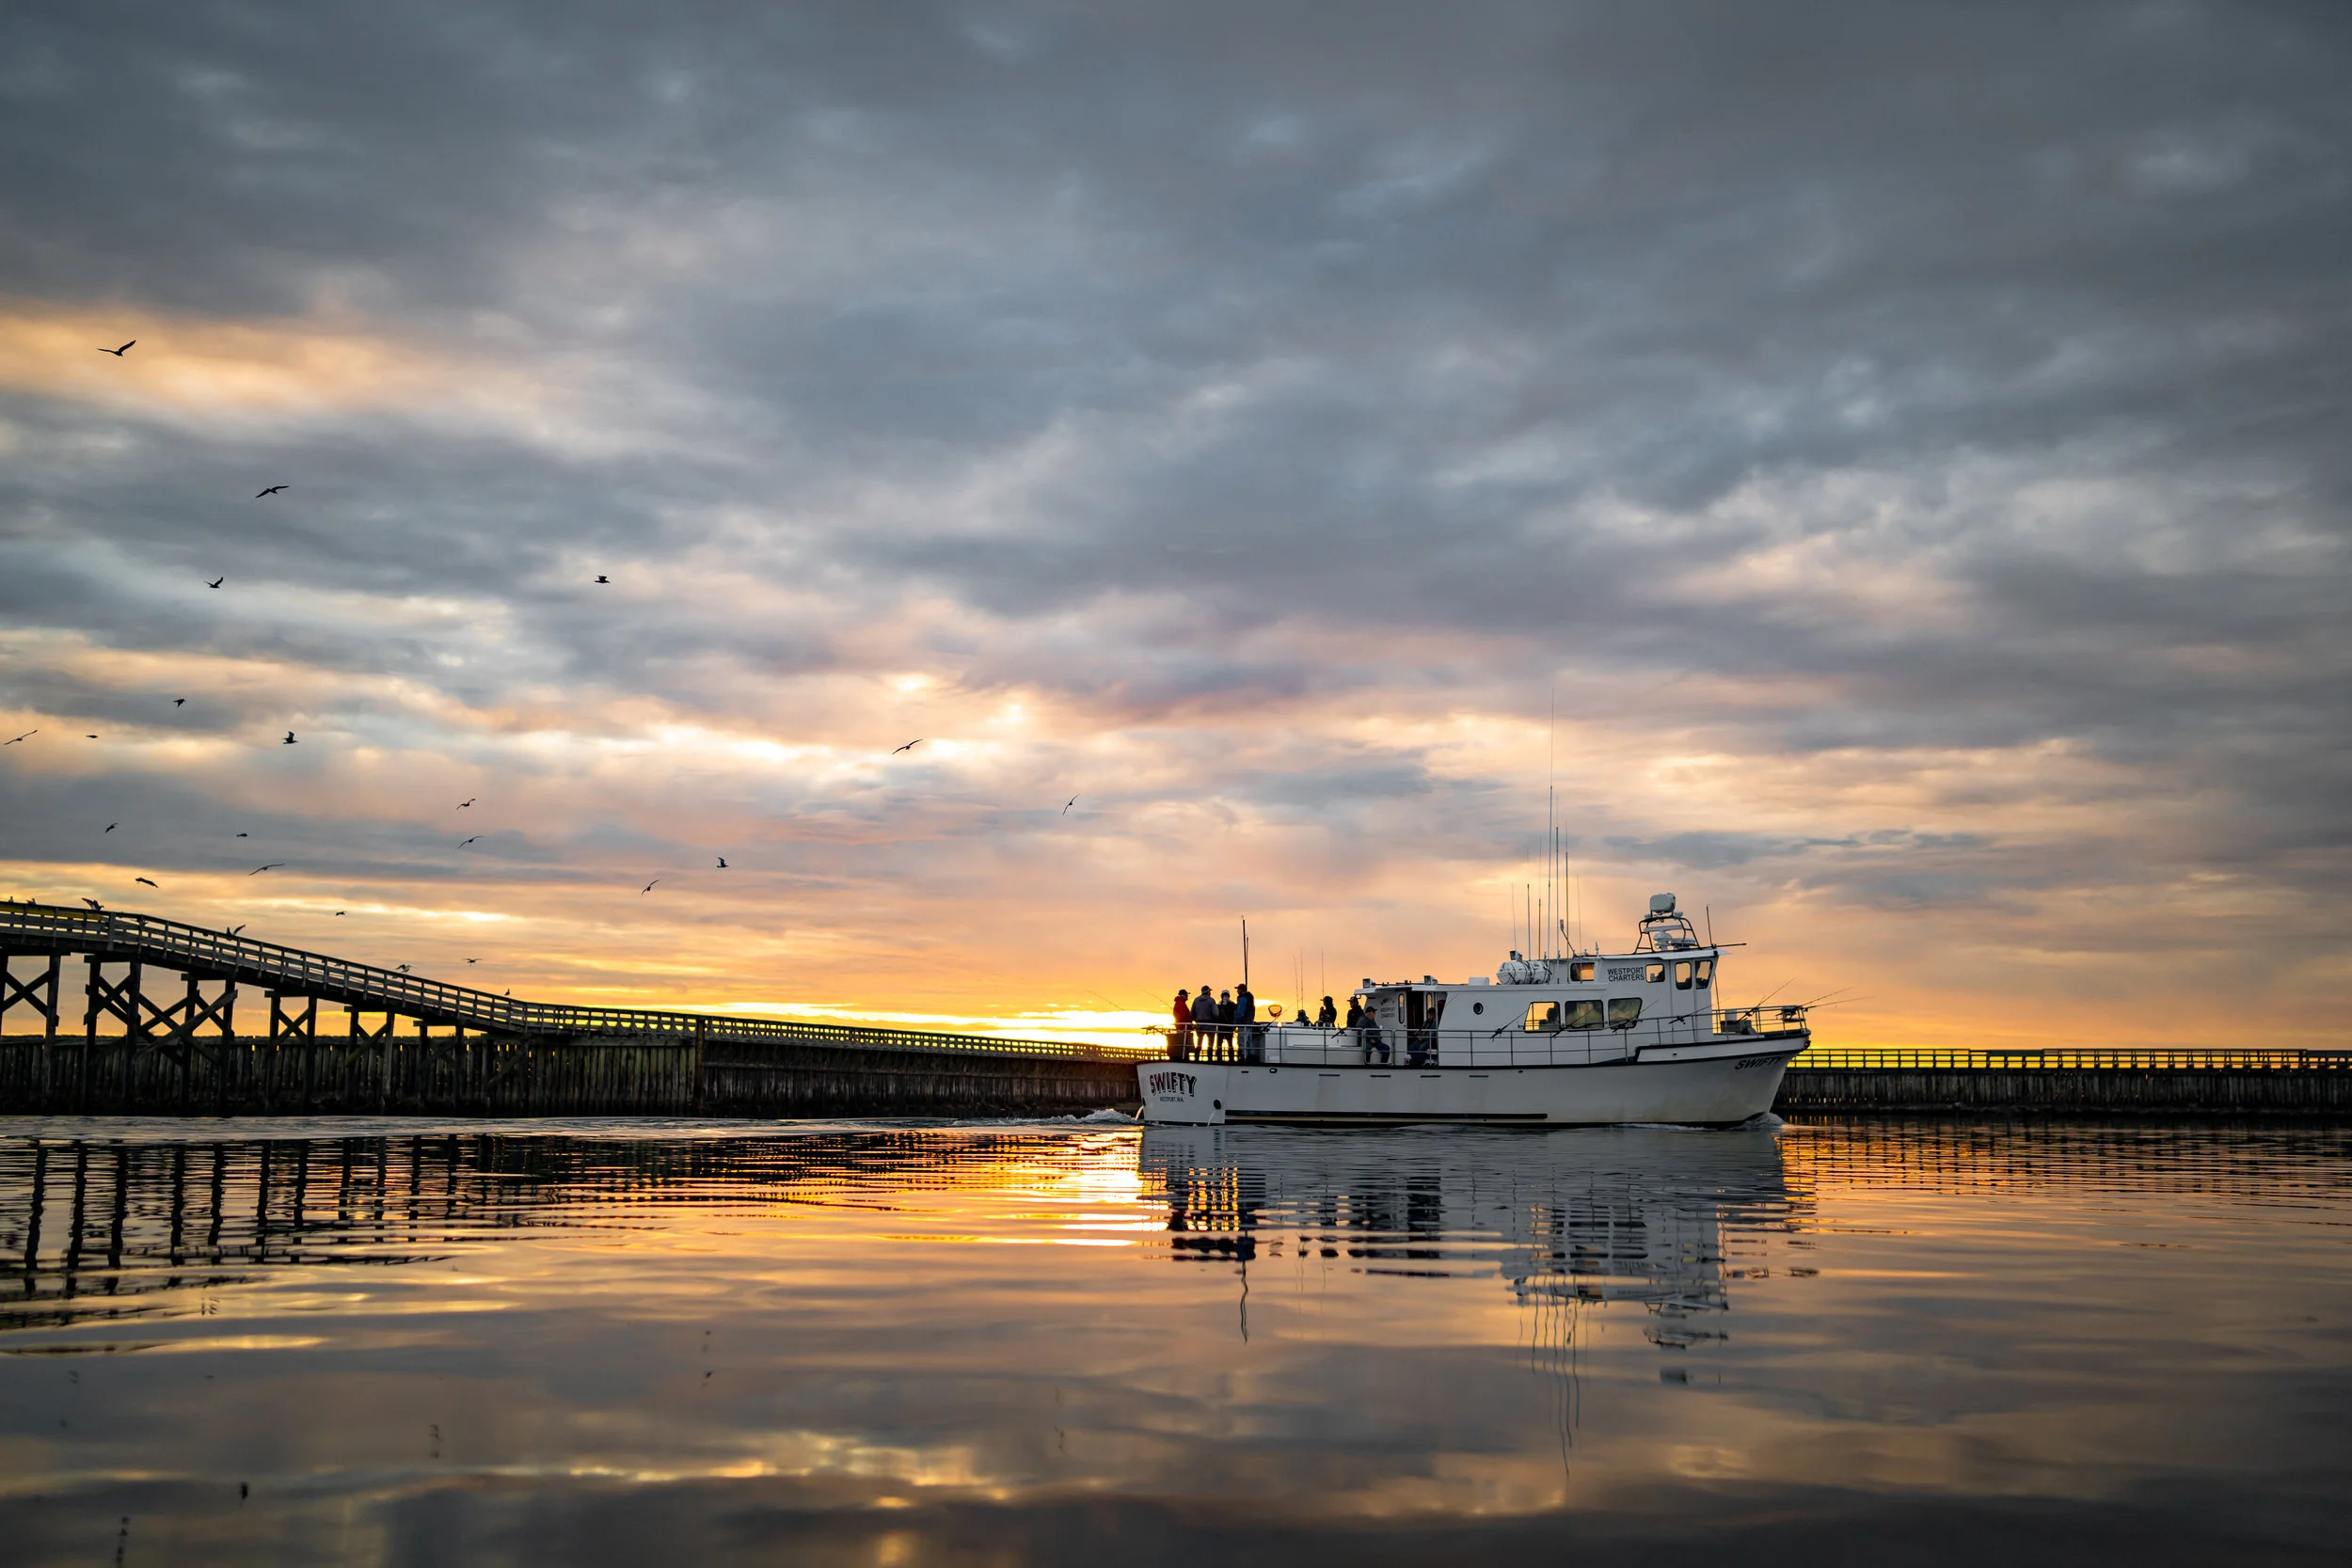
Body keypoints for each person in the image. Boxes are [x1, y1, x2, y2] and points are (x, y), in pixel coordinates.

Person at [1233, 982, 1257, 1062]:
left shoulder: (1243, 999)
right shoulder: (1250, 999)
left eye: (1238, 989)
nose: (1237, 991)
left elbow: (1240, 1012)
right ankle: (1251, 1056)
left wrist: (1235, 1024)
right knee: (1249, 1041)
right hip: (1249, 1024)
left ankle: (1243, 1057)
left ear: (1241, 990)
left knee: (1242, 1041)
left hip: (1243, 1024)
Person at [1170, 989, 1192, 1061]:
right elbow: (1182, 1016)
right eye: (1186, 995)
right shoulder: (1180, 1003)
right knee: (1183, 1043)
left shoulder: (1180, 1003)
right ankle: (1183, 1057)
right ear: (1182, 995)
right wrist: (1189, 1020)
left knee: (1183, 1044)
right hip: (1182, 1028)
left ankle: (1183, 1056)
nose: (1187, 997)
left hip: (1181, 1027)